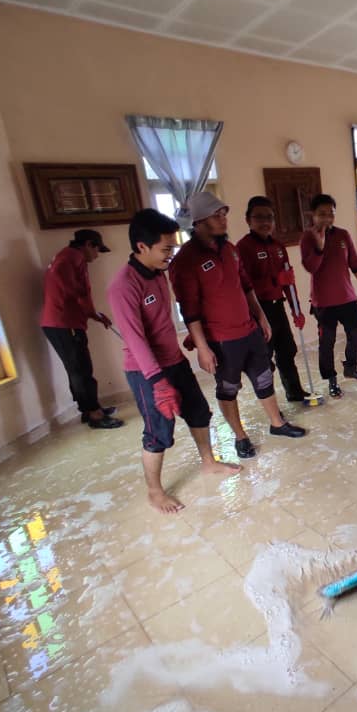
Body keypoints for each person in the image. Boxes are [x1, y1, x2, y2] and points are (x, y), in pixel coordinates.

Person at [107, 209, 241, 513]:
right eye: (166, 249)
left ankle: (208, 462)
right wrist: (158, 382)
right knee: (159, 431)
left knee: (198, 411)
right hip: (145, 371)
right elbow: (135, 338)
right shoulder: (123, 287)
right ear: (142, 247)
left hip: (174, 360)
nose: (171, 254)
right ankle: (155, 491)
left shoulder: (157, 273)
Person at [170, 192, 306, 460]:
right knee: (228, 389)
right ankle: (240, 437)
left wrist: (262, 318)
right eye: (216, 215)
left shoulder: (229, 250)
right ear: (198, 220)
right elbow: (190, 310)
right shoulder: (185, 260)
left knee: (265, 377)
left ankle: (277, 423)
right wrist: (202, 347)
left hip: (249, 330)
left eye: (224, 214)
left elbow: (246, 287)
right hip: (221, 339)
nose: (223, 220)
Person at [40, 228, 123, 429]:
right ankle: (94, 414)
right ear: (87, 244)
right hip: (63, 323)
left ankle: (90, 409)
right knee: (80, 369)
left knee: (80, 368)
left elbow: (79, 295)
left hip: (65, 323)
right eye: (96, 250)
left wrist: (94, 314)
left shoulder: (70, 257)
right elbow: (71, 289)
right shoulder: (72, 257)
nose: (96, 255)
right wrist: (85, 306)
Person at [236, 196, 309, 403]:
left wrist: (297, 310)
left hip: (279, 309)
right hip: (258, 312)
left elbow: (288, 280)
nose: (265, 222)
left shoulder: (278, 246)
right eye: (259, 217)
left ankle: (294, 392)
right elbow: (244, 285)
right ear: (248, 220)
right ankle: (271, 406)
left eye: (269, 217)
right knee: (263, 360)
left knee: (287, 351)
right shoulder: (243, 248)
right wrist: (274, 280)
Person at [299, 194, 357, 399]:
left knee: (355, 335)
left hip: (347, 297)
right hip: (324, 302)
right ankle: (331, 379)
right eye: (322, 214)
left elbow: (355, 263)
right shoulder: (307, 238)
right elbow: (311, 267)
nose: (327, 218)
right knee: (327, 342)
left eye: (331, 213)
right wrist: (320, 246)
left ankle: (350, 368)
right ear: (312, 215)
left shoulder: (343, 235)